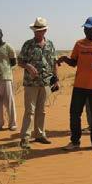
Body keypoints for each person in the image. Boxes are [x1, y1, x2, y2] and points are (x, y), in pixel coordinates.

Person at [57, 17, 92, 154]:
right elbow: (74, 62)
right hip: (80, 85)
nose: (85, 30)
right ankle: (75, 142)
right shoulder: (79, 44)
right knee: (74, 114)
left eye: (88, 28)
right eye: (84, 28)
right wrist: (65, 59)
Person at [18, 17, 59, 149]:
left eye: (40, 30)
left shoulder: (50, 44)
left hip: (45, 82)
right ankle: (25, 138)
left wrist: (56, 79)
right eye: (36, 30)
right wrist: (28, 66)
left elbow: (54, 62)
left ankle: (40, 135)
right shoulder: (28, 44)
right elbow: (20, 61)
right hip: (31, 83)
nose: (38, 32)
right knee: (30, 110)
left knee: (42, 110)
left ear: (45, 30)